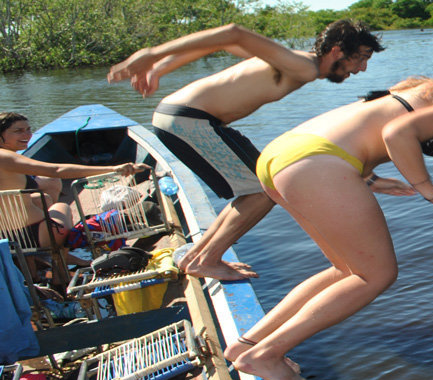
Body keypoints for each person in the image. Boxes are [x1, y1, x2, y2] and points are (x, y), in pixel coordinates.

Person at [222, 50, 433, 380]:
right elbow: (398, 132)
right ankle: (268, 354)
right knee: (377, 275)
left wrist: (371, 179)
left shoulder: (429, 87)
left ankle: (248, 345)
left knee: (345, 270)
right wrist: (430, 190)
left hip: (286, 153)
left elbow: (369, 121)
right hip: (317, 162)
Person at [107, 20, 384, 281]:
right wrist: (152, 55)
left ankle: (198, 256)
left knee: (263, 185)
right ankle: (207, 260)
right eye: (360, 57)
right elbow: (233, 32)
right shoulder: (304, 66)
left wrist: (162, 67)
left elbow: (221, 44)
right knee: (261, 193)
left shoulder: (290, 59)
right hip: (189, 120)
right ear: (336, 51)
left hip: (189, 119)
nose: (361, 69)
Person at [0, 112, 149, 270]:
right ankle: (60, 261)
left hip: (5, 239)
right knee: (61, 207)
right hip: (34, 236)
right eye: (18, 131)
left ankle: (35, 263)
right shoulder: (7, 158)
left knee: (42, 198)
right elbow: (57, 170)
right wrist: (114, 169)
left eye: (29, 129)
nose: (27, 135)